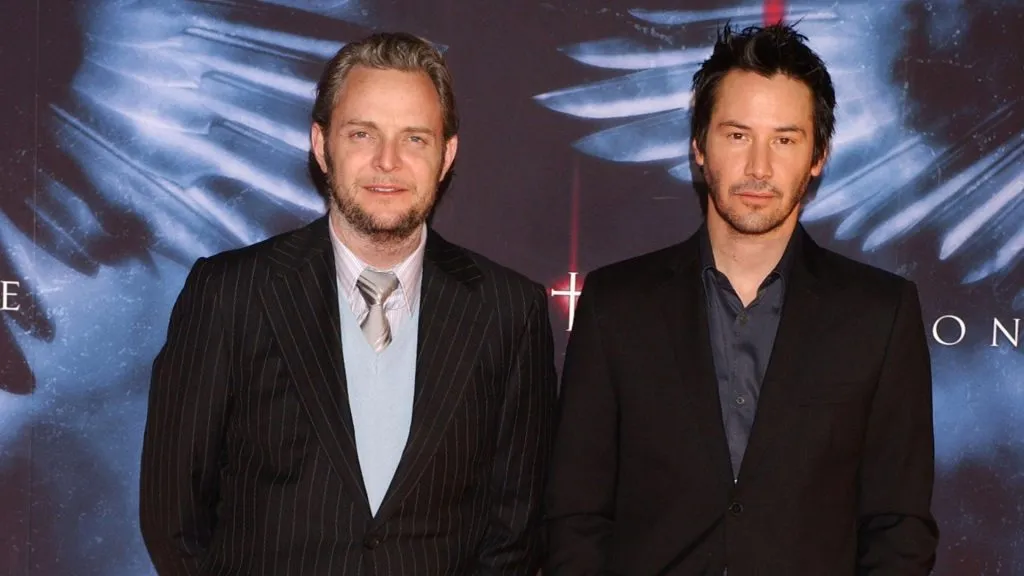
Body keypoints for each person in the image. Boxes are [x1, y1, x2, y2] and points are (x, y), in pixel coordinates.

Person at [140, 32, 557, 575]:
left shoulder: (508, 311)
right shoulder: (230, 293)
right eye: (363, 134)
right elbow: (174, 515)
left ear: (446, 154)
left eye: (414, 139)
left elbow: (515, 527)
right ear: (322, 144)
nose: (388, 162)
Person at [544, 22, 939, 575]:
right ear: (698, 146)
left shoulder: (880, 313)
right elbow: (575, 517)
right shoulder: (616, 304)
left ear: (818, 155)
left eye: (784, 139)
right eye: (736, 134)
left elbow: (898, 527)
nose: (759, 167)